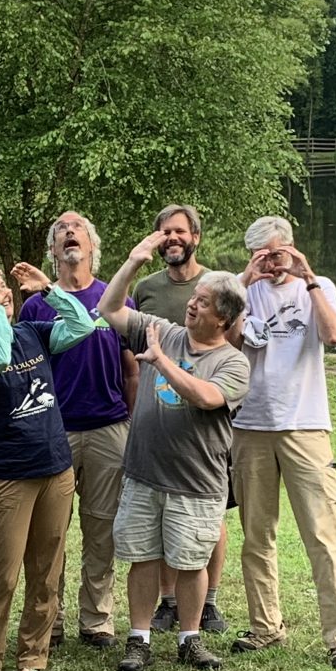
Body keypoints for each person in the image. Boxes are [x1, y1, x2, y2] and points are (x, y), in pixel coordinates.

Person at [99, 232, 249, 671]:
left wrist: (161, 362)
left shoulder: (233, 362)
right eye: (194, 298)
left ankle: (189, 638)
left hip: (196, 482)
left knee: (190, 562)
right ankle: (139, 639)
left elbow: (205, 397)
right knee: (142, 557)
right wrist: (133, 262)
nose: (192, 304)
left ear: (222, 318)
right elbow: (109, 309)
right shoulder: (162, 330)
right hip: (144, 473)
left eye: (203, 302)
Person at [0, 263, 95, 671]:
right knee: (2, 574)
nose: (2, 290)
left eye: (3, 284)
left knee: (46, 572)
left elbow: (83, 325)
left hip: (54, 467)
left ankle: (33, 656)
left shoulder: (32, 332)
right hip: (4, 477)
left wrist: (48, 290)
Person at [227, 216, 336, 668]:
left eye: (278, 252)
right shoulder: (245, 292)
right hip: (251, 425)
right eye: (262, 255)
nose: (272, 262)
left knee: (322, 535)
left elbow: (333, 335)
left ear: (293, 247)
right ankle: (266, 626)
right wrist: (245, 281)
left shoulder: (317, 285)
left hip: (306, 424)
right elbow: (221, 340)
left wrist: (308, 280)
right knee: (256, 534)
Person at [17, 211, 138, 649]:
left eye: (78, 229)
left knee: (101, 528)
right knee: (50, 533)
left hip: (108, 428)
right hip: (55, 432)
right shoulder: (35, 305)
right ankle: (51, 619)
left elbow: (131, 370)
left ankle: (97, 620)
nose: (70, 234)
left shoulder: (115, 298)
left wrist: (130, 421)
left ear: (91, 247)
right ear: (53, 251)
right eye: (61, 231)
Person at [132, 204, 232, 634]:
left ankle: (207, 602)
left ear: (196, 237)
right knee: (156, 516)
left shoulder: (218, 284)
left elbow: (233, 344)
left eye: (179, 232)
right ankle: (168, 602)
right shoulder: (146, 288)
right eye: (163, 233)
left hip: (206, 419)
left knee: (210, 515)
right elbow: (131, 351)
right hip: (155, 408)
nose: (171, 239)